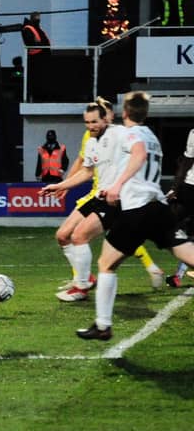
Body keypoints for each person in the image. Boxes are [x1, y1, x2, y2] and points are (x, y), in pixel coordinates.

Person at [75, 91, 194, 340]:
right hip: (159, 207)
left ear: (125, 113)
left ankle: (103, 325)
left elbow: (138, 154)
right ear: (146, 114)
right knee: (185, 251)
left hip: (137, 209)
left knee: (106, 265)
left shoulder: (127, 134)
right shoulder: (152, 136)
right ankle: (102, 325)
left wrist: (117, 185)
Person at [42, 98, 163, 302]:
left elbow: (141, 151)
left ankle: (81, 286)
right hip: (98, 196)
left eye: (94, 122)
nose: (90, 126)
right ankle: (84, 279)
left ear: (105, 120)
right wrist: (60, 185)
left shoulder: (120, 134)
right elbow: (87, 172)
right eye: (87, 123)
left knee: (80, 236)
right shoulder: (90, 141)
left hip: (117, 199)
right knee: (63, 235)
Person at [165, 128, 194, 287]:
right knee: (171, 227)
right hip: (189, 188)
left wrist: (175, 187)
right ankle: (178, 275)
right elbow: (187, 161)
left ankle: (178, 276)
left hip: (189, 188)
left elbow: (186, 162)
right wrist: (175, 188)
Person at [21, 11, 51, 101]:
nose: (39, 20)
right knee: (36, 80)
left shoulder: (37, 29)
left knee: (42, 80)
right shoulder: (28, 28)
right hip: (36, 59)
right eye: (37, 18)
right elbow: (33, 43)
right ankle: (36, 97)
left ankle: (42, 96)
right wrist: (40, 44)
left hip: (42, 57)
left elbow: (40, 42)